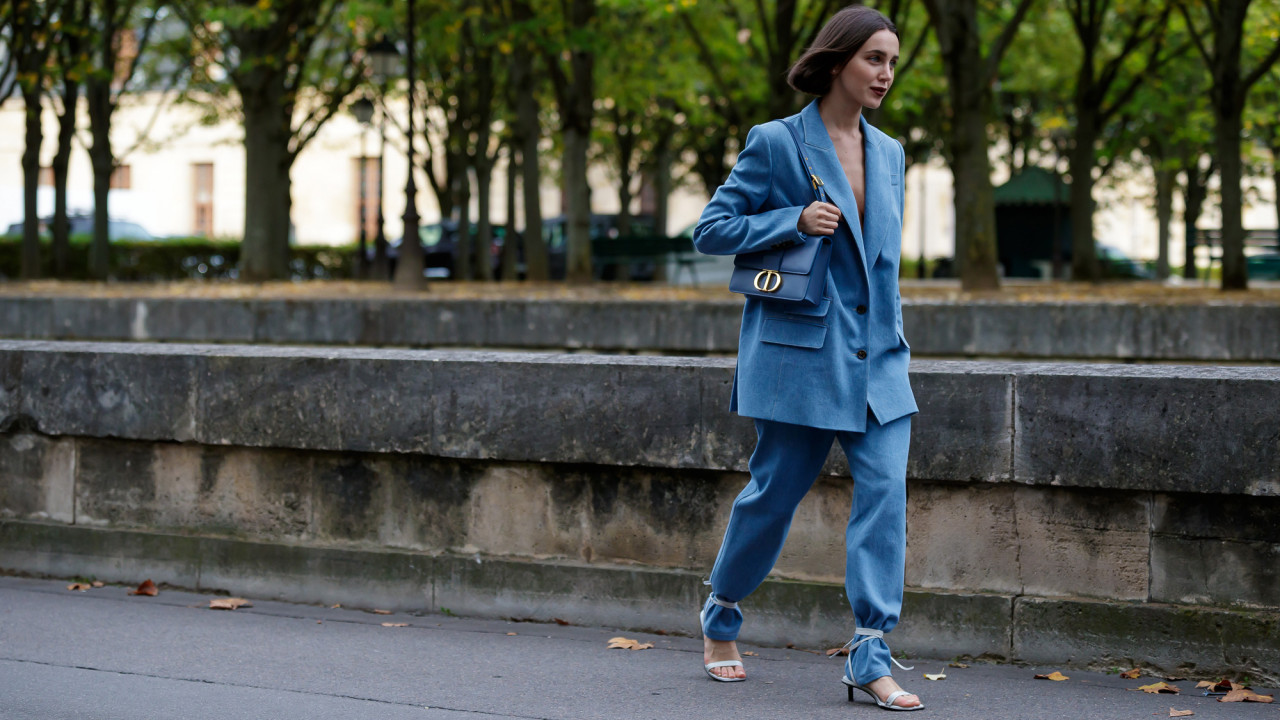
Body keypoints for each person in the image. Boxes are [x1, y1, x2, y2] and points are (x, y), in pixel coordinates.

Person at [691, 5, 922, 712]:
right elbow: (711, 230)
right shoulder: (776, 143)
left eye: (891, 60)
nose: (885, 73)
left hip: (878, 361)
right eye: (873, 59)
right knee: (773, 497)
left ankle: (870, 652)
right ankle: (722, 612)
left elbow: (881, 268)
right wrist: (788, 220)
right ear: (836, 62)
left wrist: (895, 343)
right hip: (800, 356)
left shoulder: (890, 154)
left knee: (884, 499)